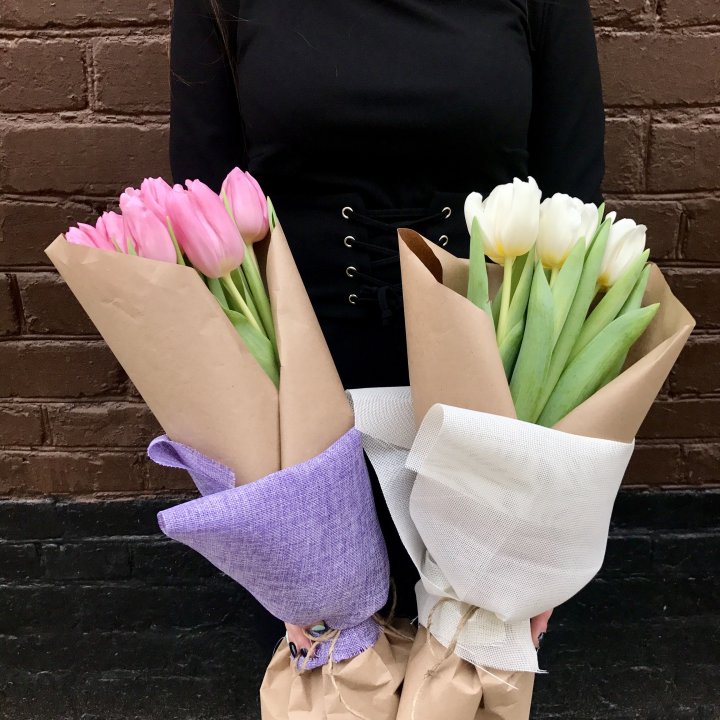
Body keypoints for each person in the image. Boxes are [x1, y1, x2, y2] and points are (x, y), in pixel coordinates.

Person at [169, 0, 604, 712]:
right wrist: (274, 548)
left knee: (467, 682)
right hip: (302, 412)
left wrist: (538, 540)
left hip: (492, 401)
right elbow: (203, 210)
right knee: (336, 686)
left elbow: (574, 207)